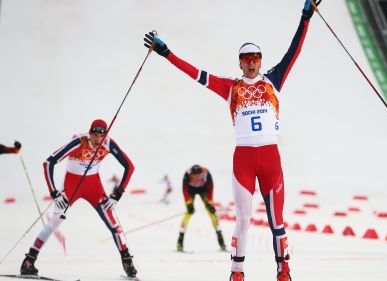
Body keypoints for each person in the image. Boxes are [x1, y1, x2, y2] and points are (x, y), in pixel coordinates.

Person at [143, 1, 322, 280]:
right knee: (243, 221)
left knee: (277, 222)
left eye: (256, 57)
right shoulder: (231, 87)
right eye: (246, 58)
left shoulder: (274, 79)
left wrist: (306, 17)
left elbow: (294, 50)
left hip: (271, 159)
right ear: (240, 62)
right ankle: (237, 273)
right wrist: (167, 54)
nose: (251, 62)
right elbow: (196, 74)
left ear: (261, 60)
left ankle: (283, 271)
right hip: (244, 161)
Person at [20, 119, 138, 278]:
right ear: (90, 133)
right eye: (95, 135)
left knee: (112, 223)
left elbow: (129, 167)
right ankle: (29, 261)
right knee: (55, 221)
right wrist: (54, 192)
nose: (97, 140)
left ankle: (127, 261)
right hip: (72, 185)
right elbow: (48, 163)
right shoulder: (79, 142)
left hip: (94, 187)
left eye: (101, 137)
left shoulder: (108, 143)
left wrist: (117, 194)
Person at [176, 165, 226, 252]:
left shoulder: (206, 173)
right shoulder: (187, 175)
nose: (196, 178)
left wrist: (210, 203)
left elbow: (211, 188)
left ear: (201, 173)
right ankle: (180, 241)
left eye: (198, 175)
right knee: (188, 213)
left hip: (204, 191)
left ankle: (221, 242)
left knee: (212, 214)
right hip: (190, 191)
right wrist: (189, 204)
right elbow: (184, 190)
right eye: (194, 176)